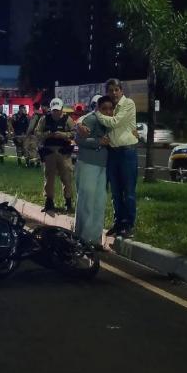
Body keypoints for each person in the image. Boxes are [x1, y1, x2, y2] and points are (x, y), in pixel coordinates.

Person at [94, 78, 138, 238]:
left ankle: (129, 224)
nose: (113, 93)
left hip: (127, 152)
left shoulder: (128, 104)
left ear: (122, 90)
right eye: (110, 90)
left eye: (116, 90)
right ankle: (118, 222)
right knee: (116, 192)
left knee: (129, 191)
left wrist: (98, 114)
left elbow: (114, 122)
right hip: (113, 153)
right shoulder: (110, 107)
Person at [74, 95, 111, 249]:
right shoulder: (91, 119)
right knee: (86, 202)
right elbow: (79, 140)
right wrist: (98, 142)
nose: (108, 111)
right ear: (97, 108)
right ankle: (82, 238)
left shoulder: (110, 122)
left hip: (103, 167)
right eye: (104, 109)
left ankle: (95, 240)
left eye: (111, 109)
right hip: (88, 164)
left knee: (99, 203)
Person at [37, 97, 75, 213]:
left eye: (58, 110)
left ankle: (68, 203)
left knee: (67, 178)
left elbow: (74, 133)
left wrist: (63, 135)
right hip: (49, 152)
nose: (56, 112)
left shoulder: (68, 119)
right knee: (49, 178)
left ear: (62, 109)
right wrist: (47, 135)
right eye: (54, 110)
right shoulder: (44, 119)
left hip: (64, 152)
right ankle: (49, 202)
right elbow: (37, 133)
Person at [24, 102, 46, 168]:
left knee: (31, 149)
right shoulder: (42, 115)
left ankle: (31, 164)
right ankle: (38, 163)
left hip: (33, 135)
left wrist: (27, 134)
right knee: (38, 149)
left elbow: (31, 126)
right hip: (40, 135)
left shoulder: (35, 115)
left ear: (33, 107)